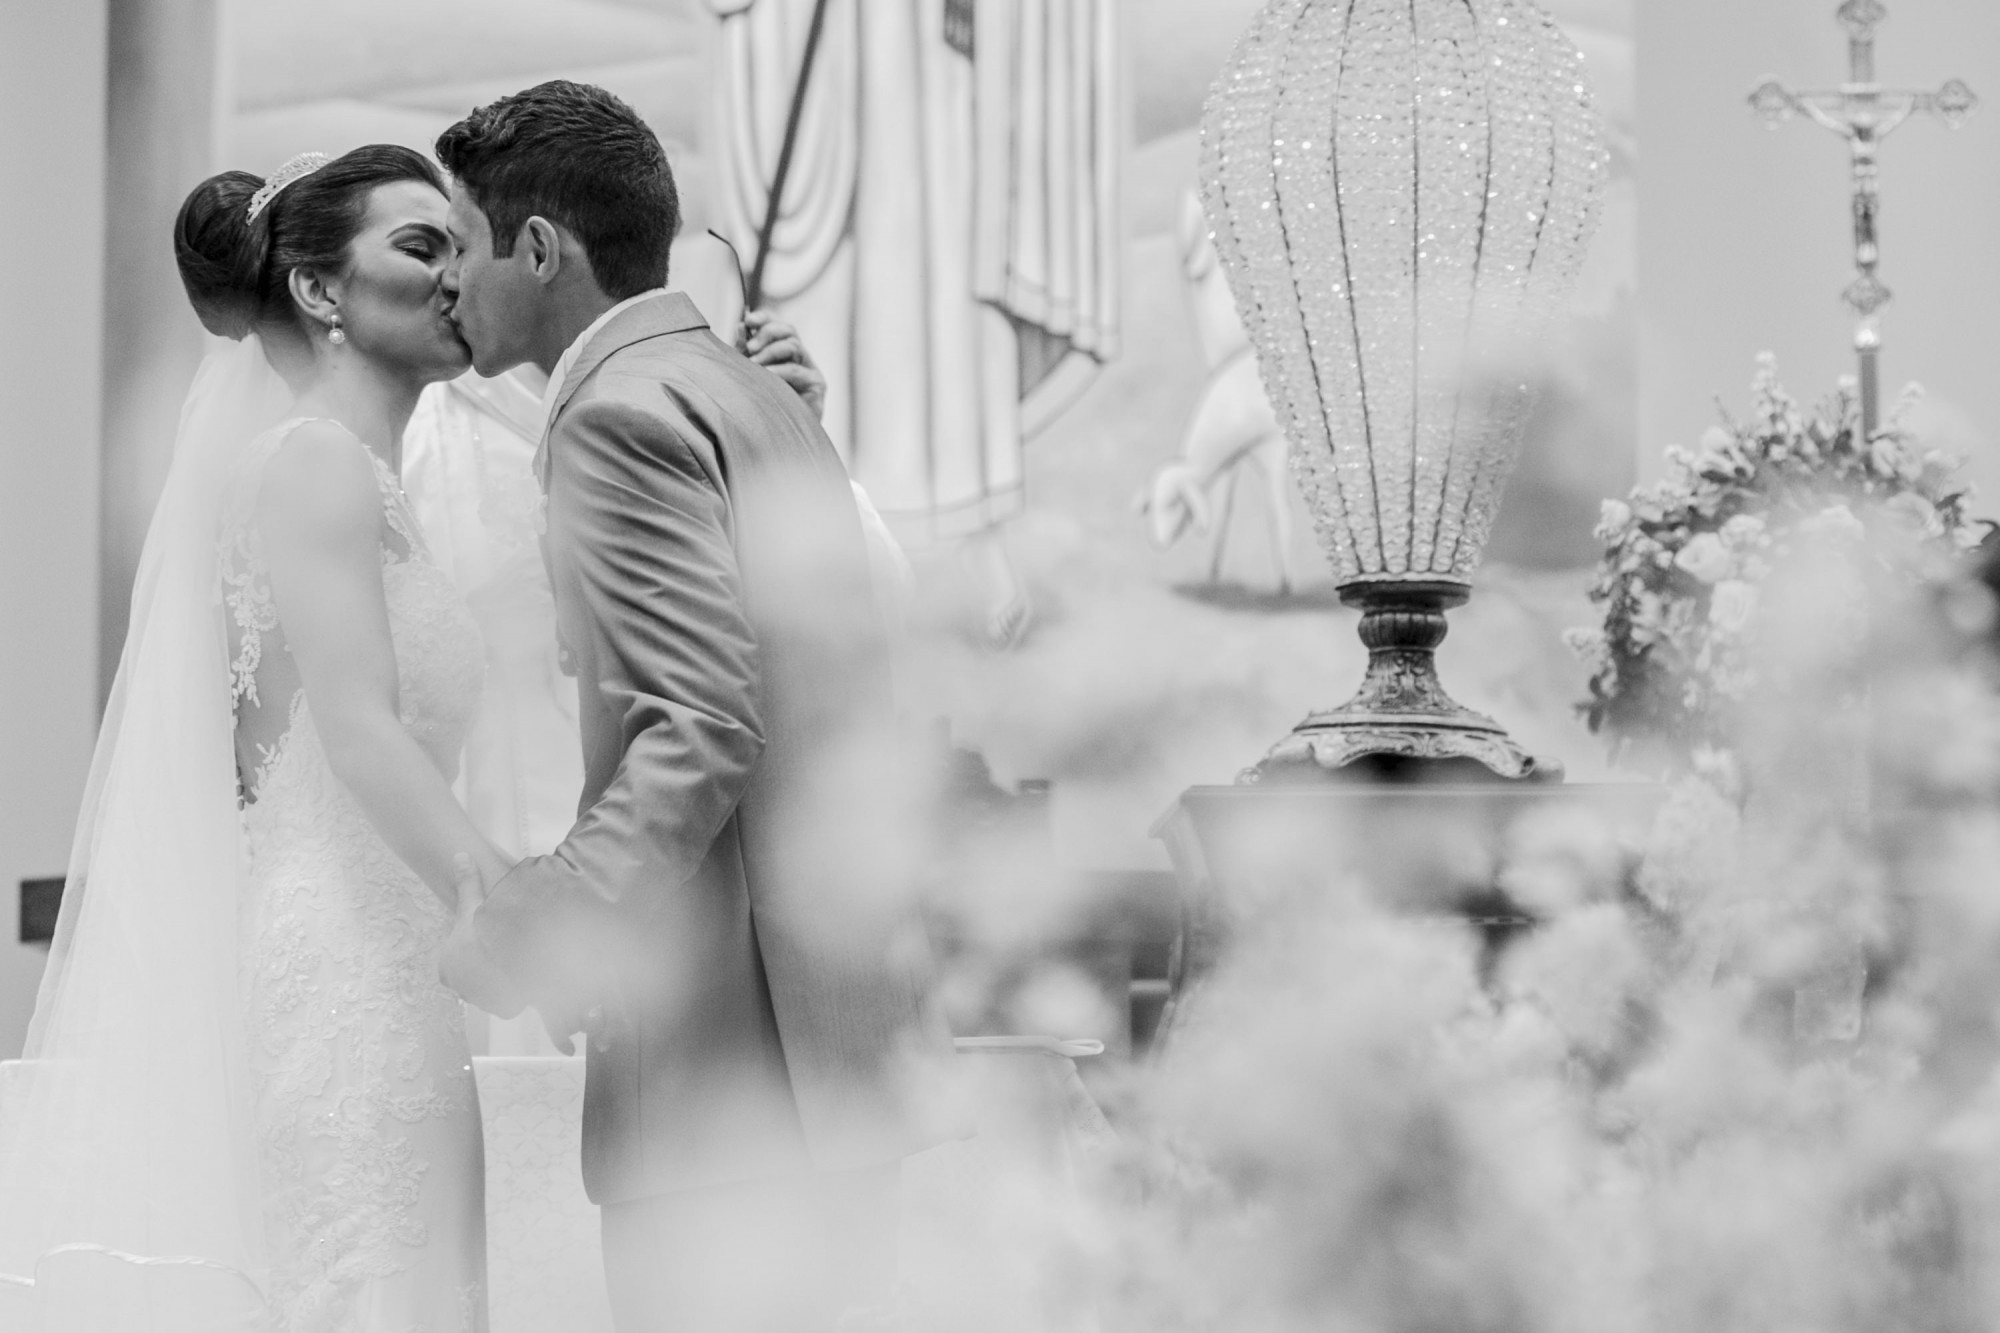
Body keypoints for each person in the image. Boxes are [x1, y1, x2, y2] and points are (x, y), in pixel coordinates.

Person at [433, 81, 956, 1333]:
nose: (450, 280)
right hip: (833, 1047)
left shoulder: (616, 416)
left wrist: (543, 926)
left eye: (461, 241)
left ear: (542, 246)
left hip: (732, 1064)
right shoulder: (756, 395)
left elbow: (700, 725)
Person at [0, 145, 525, 1329]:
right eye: (419, 245)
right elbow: (356, 729)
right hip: (341, 966)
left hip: (393, 952)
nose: (455, 277)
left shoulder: (367, 480)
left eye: (459, 245)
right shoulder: (313, 464)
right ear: (319, 293)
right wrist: (506, 893)